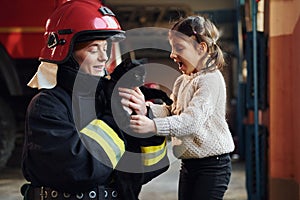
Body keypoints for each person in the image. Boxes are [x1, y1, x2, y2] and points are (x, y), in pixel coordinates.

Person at [20, 0, 132, 199]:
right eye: (93, 49)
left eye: (105, 48)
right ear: (67, 53)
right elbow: (80, 169)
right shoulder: (46, 106)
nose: (103, 57)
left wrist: (146, 122)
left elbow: (139, 170)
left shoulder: (102, 99)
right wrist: (115, 116)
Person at [119, 15, 235, 200]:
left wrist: (153, 126)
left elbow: (191, 121)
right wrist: (146, 109)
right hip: (189, 164)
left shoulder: (211, 80)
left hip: (213, 166)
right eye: (172, 49)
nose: (172, 55)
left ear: (201, 48)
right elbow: (172, 111)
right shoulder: (182, 81)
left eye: (179, 48)